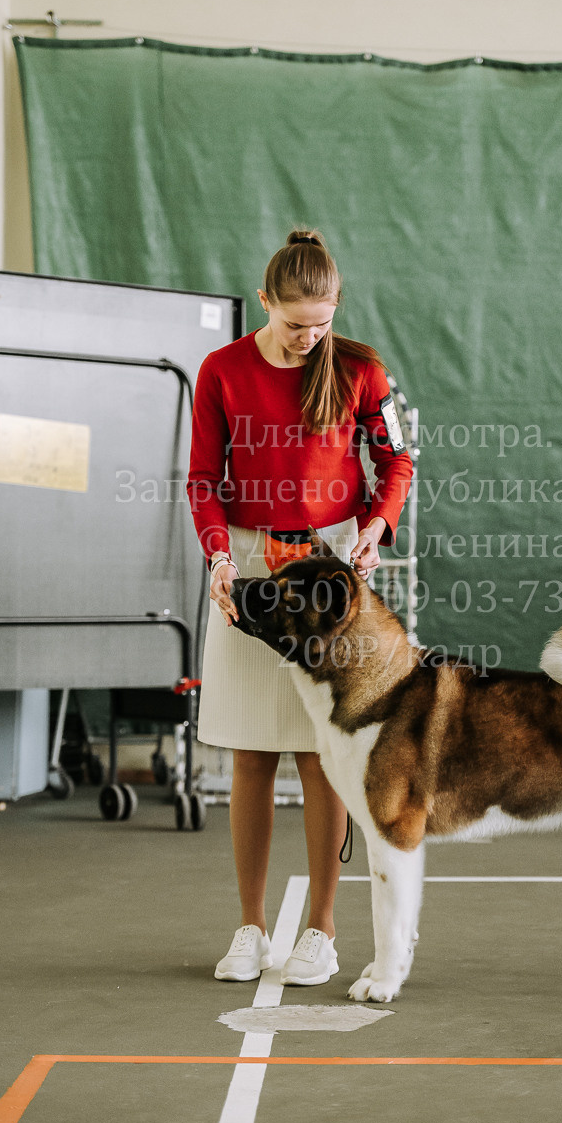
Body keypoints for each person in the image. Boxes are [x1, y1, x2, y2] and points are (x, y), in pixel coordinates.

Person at [187, 229, 413, 986]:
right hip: (248, 566)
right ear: (264, 303)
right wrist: (219, 555)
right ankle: (248, 927)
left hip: (329, 566)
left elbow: (396, 459)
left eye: (320, 323)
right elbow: (201, 478)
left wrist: (375, 528)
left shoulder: (360, 369)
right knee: (251, 753)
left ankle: (321, 930)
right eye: (293, 325)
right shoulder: (220, 369)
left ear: (335, 307)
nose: (307, 338)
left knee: (325, 756)